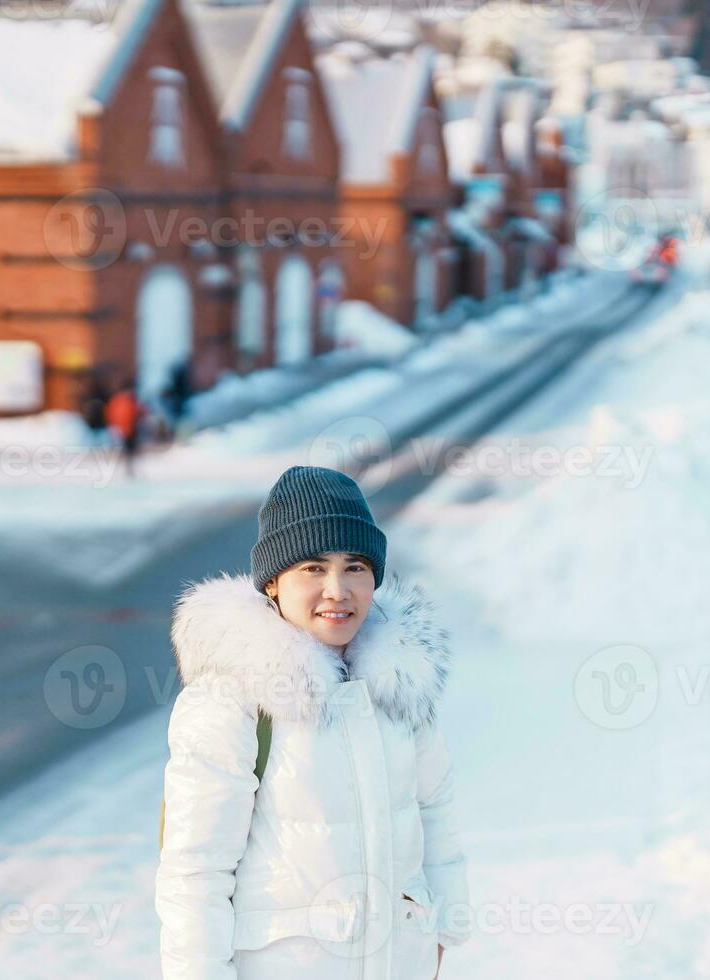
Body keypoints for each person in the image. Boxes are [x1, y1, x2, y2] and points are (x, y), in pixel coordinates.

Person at [156, 465, 471, 978]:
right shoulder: (234, 699)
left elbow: (434, 807)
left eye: (355, 567)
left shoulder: (399, 683)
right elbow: (195, 873)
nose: (337, 589)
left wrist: (441, 931)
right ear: (273, 582)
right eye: (312, 568)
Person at [104, 381, 143, 477]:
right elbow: (113, 414)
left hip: (130, 429)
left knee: (130, 450)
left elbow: (136, 413)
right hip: (123, 429)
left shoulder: (129, 401)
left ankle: (129, 469)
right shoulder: (121, 401)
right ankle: (122, 469)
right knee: (124, 450)